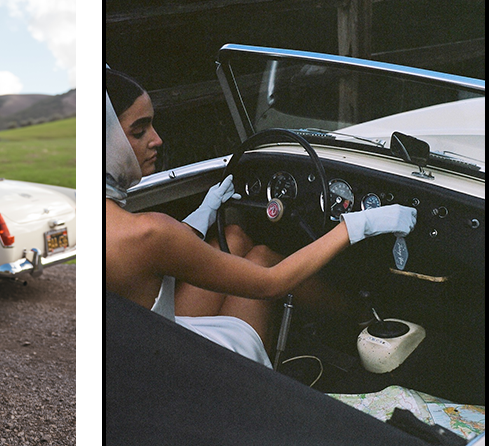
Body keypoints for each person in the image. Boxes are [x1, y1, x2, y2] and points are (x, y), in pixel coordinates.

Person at [105, 67, 417, 367]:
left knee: (236, 237)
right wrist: (359, 224)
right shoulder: (149, 233)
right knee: (264, 260)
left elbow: (161, 253)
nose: (156, 140)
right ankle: (363, 316)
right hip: (181, 372)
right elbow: (271, 284)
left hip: (137, 349)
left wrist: (203, 214)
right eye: (139, 129)